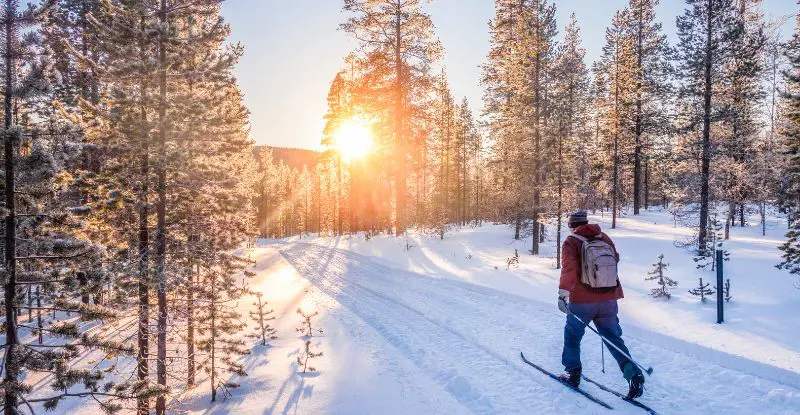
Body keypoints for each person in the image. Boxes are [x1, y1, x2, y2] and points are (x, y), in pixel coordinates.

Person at [557, 210, 645, 399]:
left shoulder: (571, 241)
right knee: (614, 339)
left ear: (572, 225)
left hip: (582, 301)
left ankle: (573, 375)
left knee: (572, 337)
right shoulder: (604, 237)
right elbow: (615, 259)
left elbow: (569, 269)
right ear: (586, 222)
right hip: (608, 299)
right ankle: (634, 374)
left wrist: (563, 294)